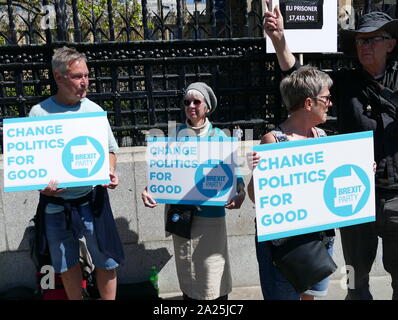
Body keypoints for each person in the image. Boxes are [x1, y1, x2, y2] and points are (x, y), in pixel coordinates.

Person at [264, 3, 398, 300]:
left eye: (373, 39)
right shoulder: (347, 83)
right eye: (360, 40)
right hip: (355, 198)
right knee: (355, 281)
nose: (365, 46)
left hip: (397, 200)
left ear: (390, 44)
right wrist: (279, 40)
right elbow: (300, 78)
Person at [29, 46, 124, 300]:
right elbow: (33, 165)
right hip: (56, 205)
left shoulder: (93, 111)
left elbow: (111, 150)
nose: (85, 82)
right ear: (59, 78)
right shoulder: (39, 114)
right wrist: (42, 185)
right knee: (65, 263)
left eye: (86, 75)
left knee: (107, 259)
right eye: (78, 76)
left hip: (92, 201)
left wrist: (110, 170)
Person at [142, 82, 246, 300]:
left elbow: (237, 177)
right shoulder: (173, 136)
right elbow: (161, 173)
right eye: (187, 102)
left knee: (213, 274)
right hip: (183, 217)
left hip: (211, 219)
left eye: (196, 101)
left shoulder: (221, 138)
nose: (191, 105)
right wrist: (149, 190)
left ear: (206, 107)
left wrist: (240, 192)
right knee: (188, 272)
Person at [247, 65, 335, 300]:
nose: (330, 103)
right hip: (284, 245)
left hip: (319, 238)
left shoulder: (323, 137)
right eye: (326, 98)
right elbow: (255, 196)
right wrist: (257, 172)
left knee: (310, 297)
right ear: (309, 103)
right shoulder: (273, 140)